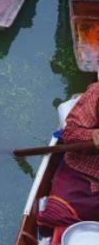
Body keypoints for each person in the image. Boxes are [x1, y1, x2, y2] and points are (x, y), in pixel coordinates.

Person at [38, 83, 99, 227]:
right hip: (83, 173)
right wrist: (93, 136)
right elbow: (70, 134)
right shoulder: (96, 94)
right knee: (56, 215)